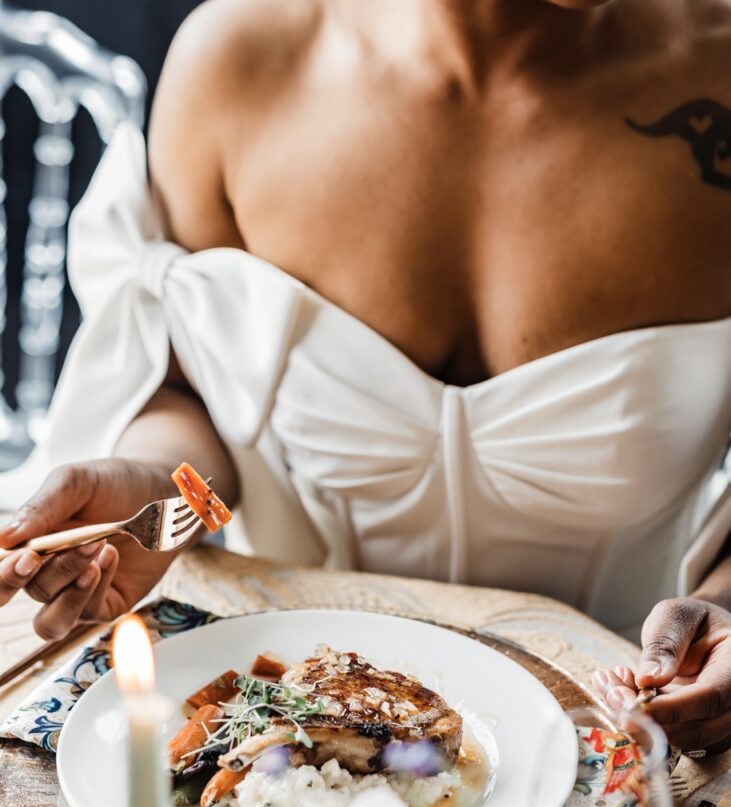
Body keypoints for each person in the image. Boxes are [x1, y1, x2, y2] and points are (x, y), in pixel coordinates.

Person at [0, 0, 729, 753]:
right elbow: (197, 390)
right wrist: (161, 493)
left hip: (625, 735)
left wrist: (723, 609)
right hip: (293, 739)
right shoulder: (239, 64)